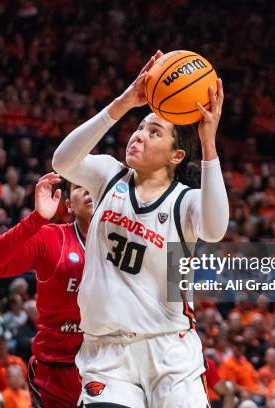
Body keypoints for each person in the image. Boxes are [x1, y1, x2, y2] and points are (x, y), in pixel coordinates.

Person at [52, 51, 229, 406]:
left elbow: (214, 229)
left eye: (154, 131)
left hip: (170, 353)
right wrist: (121, 104)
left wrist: (209, 143)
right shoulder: (108, 175)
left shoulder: (185, 200)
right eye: (138, 127)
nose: (138, 135)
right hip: (107, 355)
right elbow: (62, 161)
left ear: (175, 156)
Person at [0, 173, 92, 406]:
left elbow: (177, 276)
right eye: (82, 186)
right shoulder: (52, 238)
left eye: (97, 185)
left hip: (112, 365)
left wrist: (185, 318)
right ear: (69, 205)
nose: (91, 190)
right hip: (56, 369)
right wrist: (37, 219)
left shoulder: (132, 237)